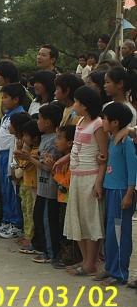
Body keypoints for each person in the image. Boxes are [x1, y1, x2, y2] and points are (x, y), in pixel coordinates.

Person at [59, 86, 107, 276]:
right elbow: (76, 148)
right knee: (77, 218)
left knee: (90, 220)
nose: (75, 105)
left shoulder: (98, 125)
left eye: (77, 102)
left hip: (90, 177)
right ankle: (86, 260)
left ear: (85, 105)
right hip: (77, 177)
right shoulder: (80, 122)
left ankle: (90, 263)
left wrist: (98, 182)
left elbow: (103, 156)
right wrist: (65, 159)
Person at [94, 103, 136, 285]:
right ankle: (110, 267)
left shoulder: (126, 142)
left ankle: (120, 273)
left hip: (121, 192)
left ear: (115, 122)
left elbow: (132, 170)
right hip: (111, 189)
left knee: (119, 233)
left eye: (105, 118)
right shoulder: (112, 139)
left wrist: (129, 194)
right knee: (110, 232)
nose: (102, 121)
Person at [17, 104, 63, 264]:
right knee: (39, 217)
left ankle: (51, 253)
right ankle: (42, 247)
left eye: (41, 119)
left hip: (49, 187)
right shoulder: (45, 138)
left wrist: (29, 158)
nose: (38, 122)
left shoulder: (53, 141)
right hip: (42, 187)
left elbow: (48, 167)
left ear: (48, 122)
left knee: (48, 221)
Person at [0, 83, 25, 239]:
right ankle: (7, 219)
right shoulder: (7, 115)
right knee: (5, 189)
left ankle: (16, 222)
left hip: (10, 154)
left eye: (5, 97)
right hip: (2, 154)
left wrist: (14, 161)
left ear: (16, 99)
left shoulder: (19, 115)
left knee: (12, 189)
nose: (2, 100)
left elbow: (16, 140)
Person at [52, 125, 77, 268]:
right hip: (62, 199)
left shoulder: (71, 161)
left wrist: (55, 172)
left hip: (68, 201)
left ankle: (69, 257)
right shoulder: (63, 159)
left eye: (59, 138)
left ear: (70, 143)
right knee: (62, 229)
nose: (56, 141)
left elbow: (67, 183)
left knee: (67, 231)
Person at [16, 120, 41, 253]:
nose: (23, 138)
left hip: (34, 186)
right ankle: (29, 236)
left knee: (32, 213)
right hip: (29, 185)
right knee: (27, 211)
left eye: (26, 135)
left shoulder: (35, 152)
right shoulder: (31, 151)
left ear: (35, 138)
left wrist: (21, 150)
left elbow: (23, 165)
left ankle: (32, 239)